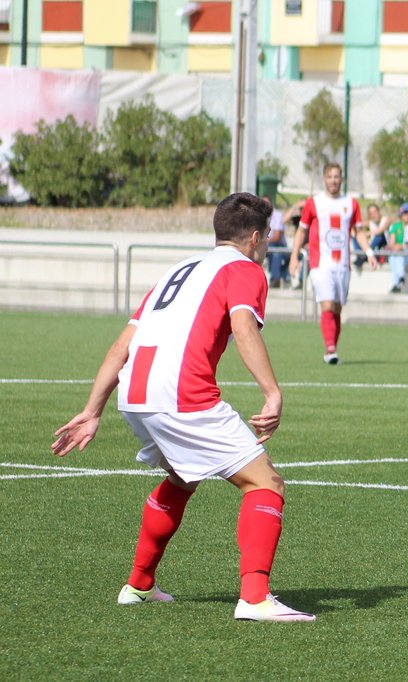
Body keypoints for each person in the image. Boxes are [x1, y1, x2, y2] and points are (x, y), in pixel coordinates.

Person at [50, 193, 314, 622]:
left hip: (136, 393)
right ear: (253, 238)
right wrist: (272, 392)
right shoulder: (245, 269)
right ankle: (255, 598)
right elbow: (243, 326)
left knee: (182, 476)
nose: (267, 245)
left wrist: (93, 409)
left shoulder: (179, 269)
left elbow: (122, 344)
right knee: (266, 484)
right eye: (266, 237)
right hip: (182, 394)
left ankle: (139, 585)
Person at [288, 163, 376, 365]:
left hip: (342, 264)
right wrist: (294, 256)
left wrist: (369, 252)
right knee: (327, 303)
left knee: (336, 307)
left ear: (342, 179)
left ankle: (331, 351)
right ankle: (330, 348)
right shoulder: (314, 203)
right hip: (320, 263)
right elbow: (302, 230)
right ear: (324, 179)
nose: (333, 181)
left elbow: (358, 232)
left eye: (336, 177)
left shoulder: (351, 204)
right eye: (330, 177)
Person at [263, 196, 289, 288]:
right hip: (265, 246)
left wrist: (263, 240)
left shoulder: (277, 215)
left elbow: (277, 237)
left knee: (276, 253)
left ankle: (276, 278)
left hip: (279, 246)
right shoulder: (259, 216)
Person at [386, 203, 408, 294]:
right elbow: (391, 243)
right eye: (405, 213)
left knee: (398, 255)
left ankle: (397, 282)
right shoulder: (396, 226)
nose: (407, 216)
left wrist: (400, 246)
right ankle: (398, 281)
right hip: (398, 253)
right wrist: (396, 247)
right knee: (394, 257)